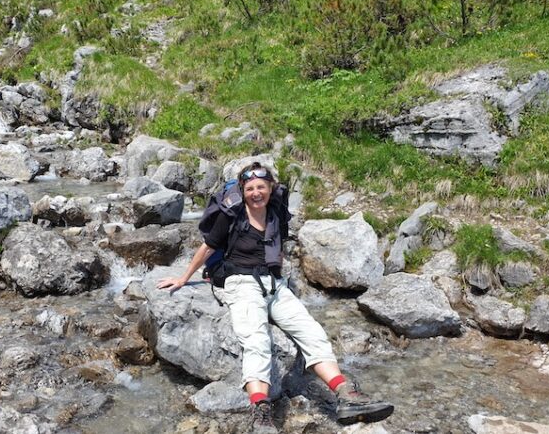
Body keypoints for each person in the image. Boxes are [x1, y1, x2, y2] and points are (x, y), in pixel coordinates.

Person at [157, 162, 393, 432]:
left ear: (270, 188)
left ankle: (345, 394)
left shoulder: (276, 213)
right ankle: (261, 410)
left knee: (312, 332)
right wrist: (184, 277)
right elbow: (208, 246)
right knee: (256, 341)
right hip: (241, 282)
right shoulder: (233, 214)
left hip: (274, 285)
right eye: (250, 189)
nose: (256, 193)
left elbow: (277, 247)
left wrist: (278, 275)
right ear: (243, 191)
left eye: (261, 187)